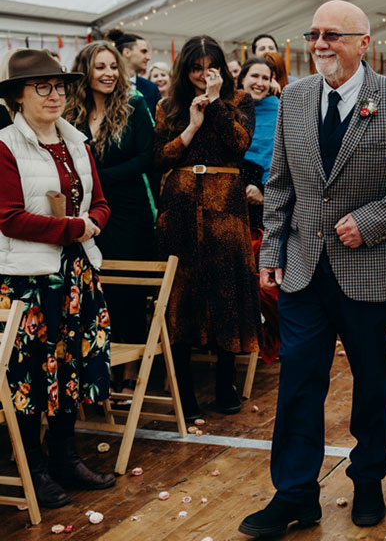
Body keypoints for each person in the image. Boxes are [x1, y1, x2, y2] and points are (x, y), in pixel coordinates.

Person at [238, 1, 386, 539]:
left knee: (372, 379)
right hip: (303, 269)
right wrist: (272, 255)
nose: (320, 44)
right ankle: (294, 495)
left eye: (332, 34)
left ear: (363, 42)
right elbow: (280, 182)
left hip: (370, 266)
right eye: (313, 34)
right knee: (298, 382)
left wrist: (373, 220)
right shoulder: (296, 98)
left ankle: (369, 478)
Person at [0, 50, 115, 508]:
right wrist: (73, 227)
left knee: (72, 366)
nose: (55, 96)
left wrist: (94, 224)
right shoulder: (5, 145)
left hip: (77, 272)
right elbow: (8, 218)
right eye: (42, 87)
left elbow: (101, 202)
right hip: (29, 277)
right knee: (30, 372)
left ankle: (66, 458)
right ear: (18, 96)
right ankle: (34, 465)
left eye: (60, 87)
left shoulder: (77, 141)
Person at [153, 36, 261, 420]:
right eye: (195, 68)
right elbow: (160, 157)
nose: (201, 75)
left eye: (208, 67)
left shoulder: (239, 101)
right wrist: (191, 126)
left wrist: (215, 104)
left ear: (219, 68)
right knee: (182, 296)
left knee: (226, 291)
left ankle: (224, 384)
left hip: (225, 208)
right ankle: (184, 388)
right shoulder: (169, 105)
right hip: (180, 205)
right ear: (186, 69)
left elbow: (239, 144)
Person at [64, 41, 156, 395]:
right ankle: (101, 367)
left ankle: (130, 372)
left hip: (129, 211)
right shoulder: (70, 112)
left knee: (128, 292)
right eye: (100, 67)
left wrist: (99, 177)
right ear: (85, 71)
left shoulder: (134, 106)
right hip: (86, 212)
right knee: (95, 289)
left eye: (113, 67)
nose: (108, 74)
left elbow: (146, 158)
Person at [238, 57, 278, 228]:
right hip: (237, 188)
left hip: (269, 193)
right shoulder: (229, 108)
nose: (260, 83)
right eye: (254, 76)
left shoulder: (280, 108)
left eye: (265, 78)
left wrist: (264, 196)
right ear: (242, 79)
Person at [105, 29, 160, 113]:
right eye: (143, 51)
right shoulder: (108, 84)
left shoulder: (151, 88)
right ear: (127, 52)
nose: (148, 57)